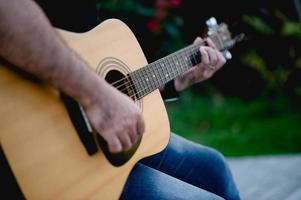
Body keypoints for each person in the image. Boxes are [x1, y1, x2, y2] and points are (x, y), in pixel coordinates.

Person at [0, 0, 240, 199]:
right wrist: (95, 97)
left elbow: (98, 69)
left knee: (213, 167)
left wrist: (175, 82)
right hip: (34, 151)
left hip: (88, 136)